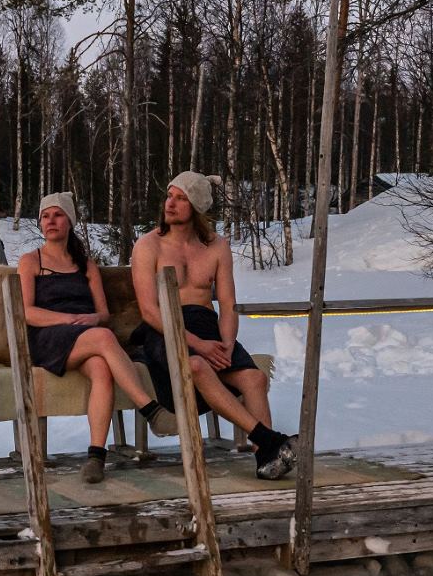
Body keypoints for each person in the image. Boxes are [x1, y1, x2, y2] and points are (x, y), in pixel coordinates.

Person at [129, 171, 296, 480]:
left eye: (181, 198)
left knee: (255, 379)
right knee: (198, 366)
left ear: (196, 206)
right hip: (165, 329)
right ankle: (267, 439)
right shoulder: (148, 245)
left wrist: (227, 341)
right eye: (170, 195)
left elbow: (228, 304)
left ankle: (266, 460)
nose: (171, 203)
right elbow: (150, 312)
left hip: (208, 327)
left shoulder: (216, 247)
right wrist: (197, 343)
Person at [18, 192, 160, 485]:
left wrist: (91, 320)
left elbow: (103, 313)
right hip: (48, 337)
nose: (51, 221)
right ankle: (149, 408)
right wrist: (68, 319)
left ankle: (96, 456)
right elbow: (28, 312)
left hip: (87, 335)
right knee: (104, 338)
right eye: (45, 216)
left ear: (69, 221)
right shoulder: (31, 262)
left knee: (101, 369)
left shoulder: (86, 265)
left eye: (57, 215)